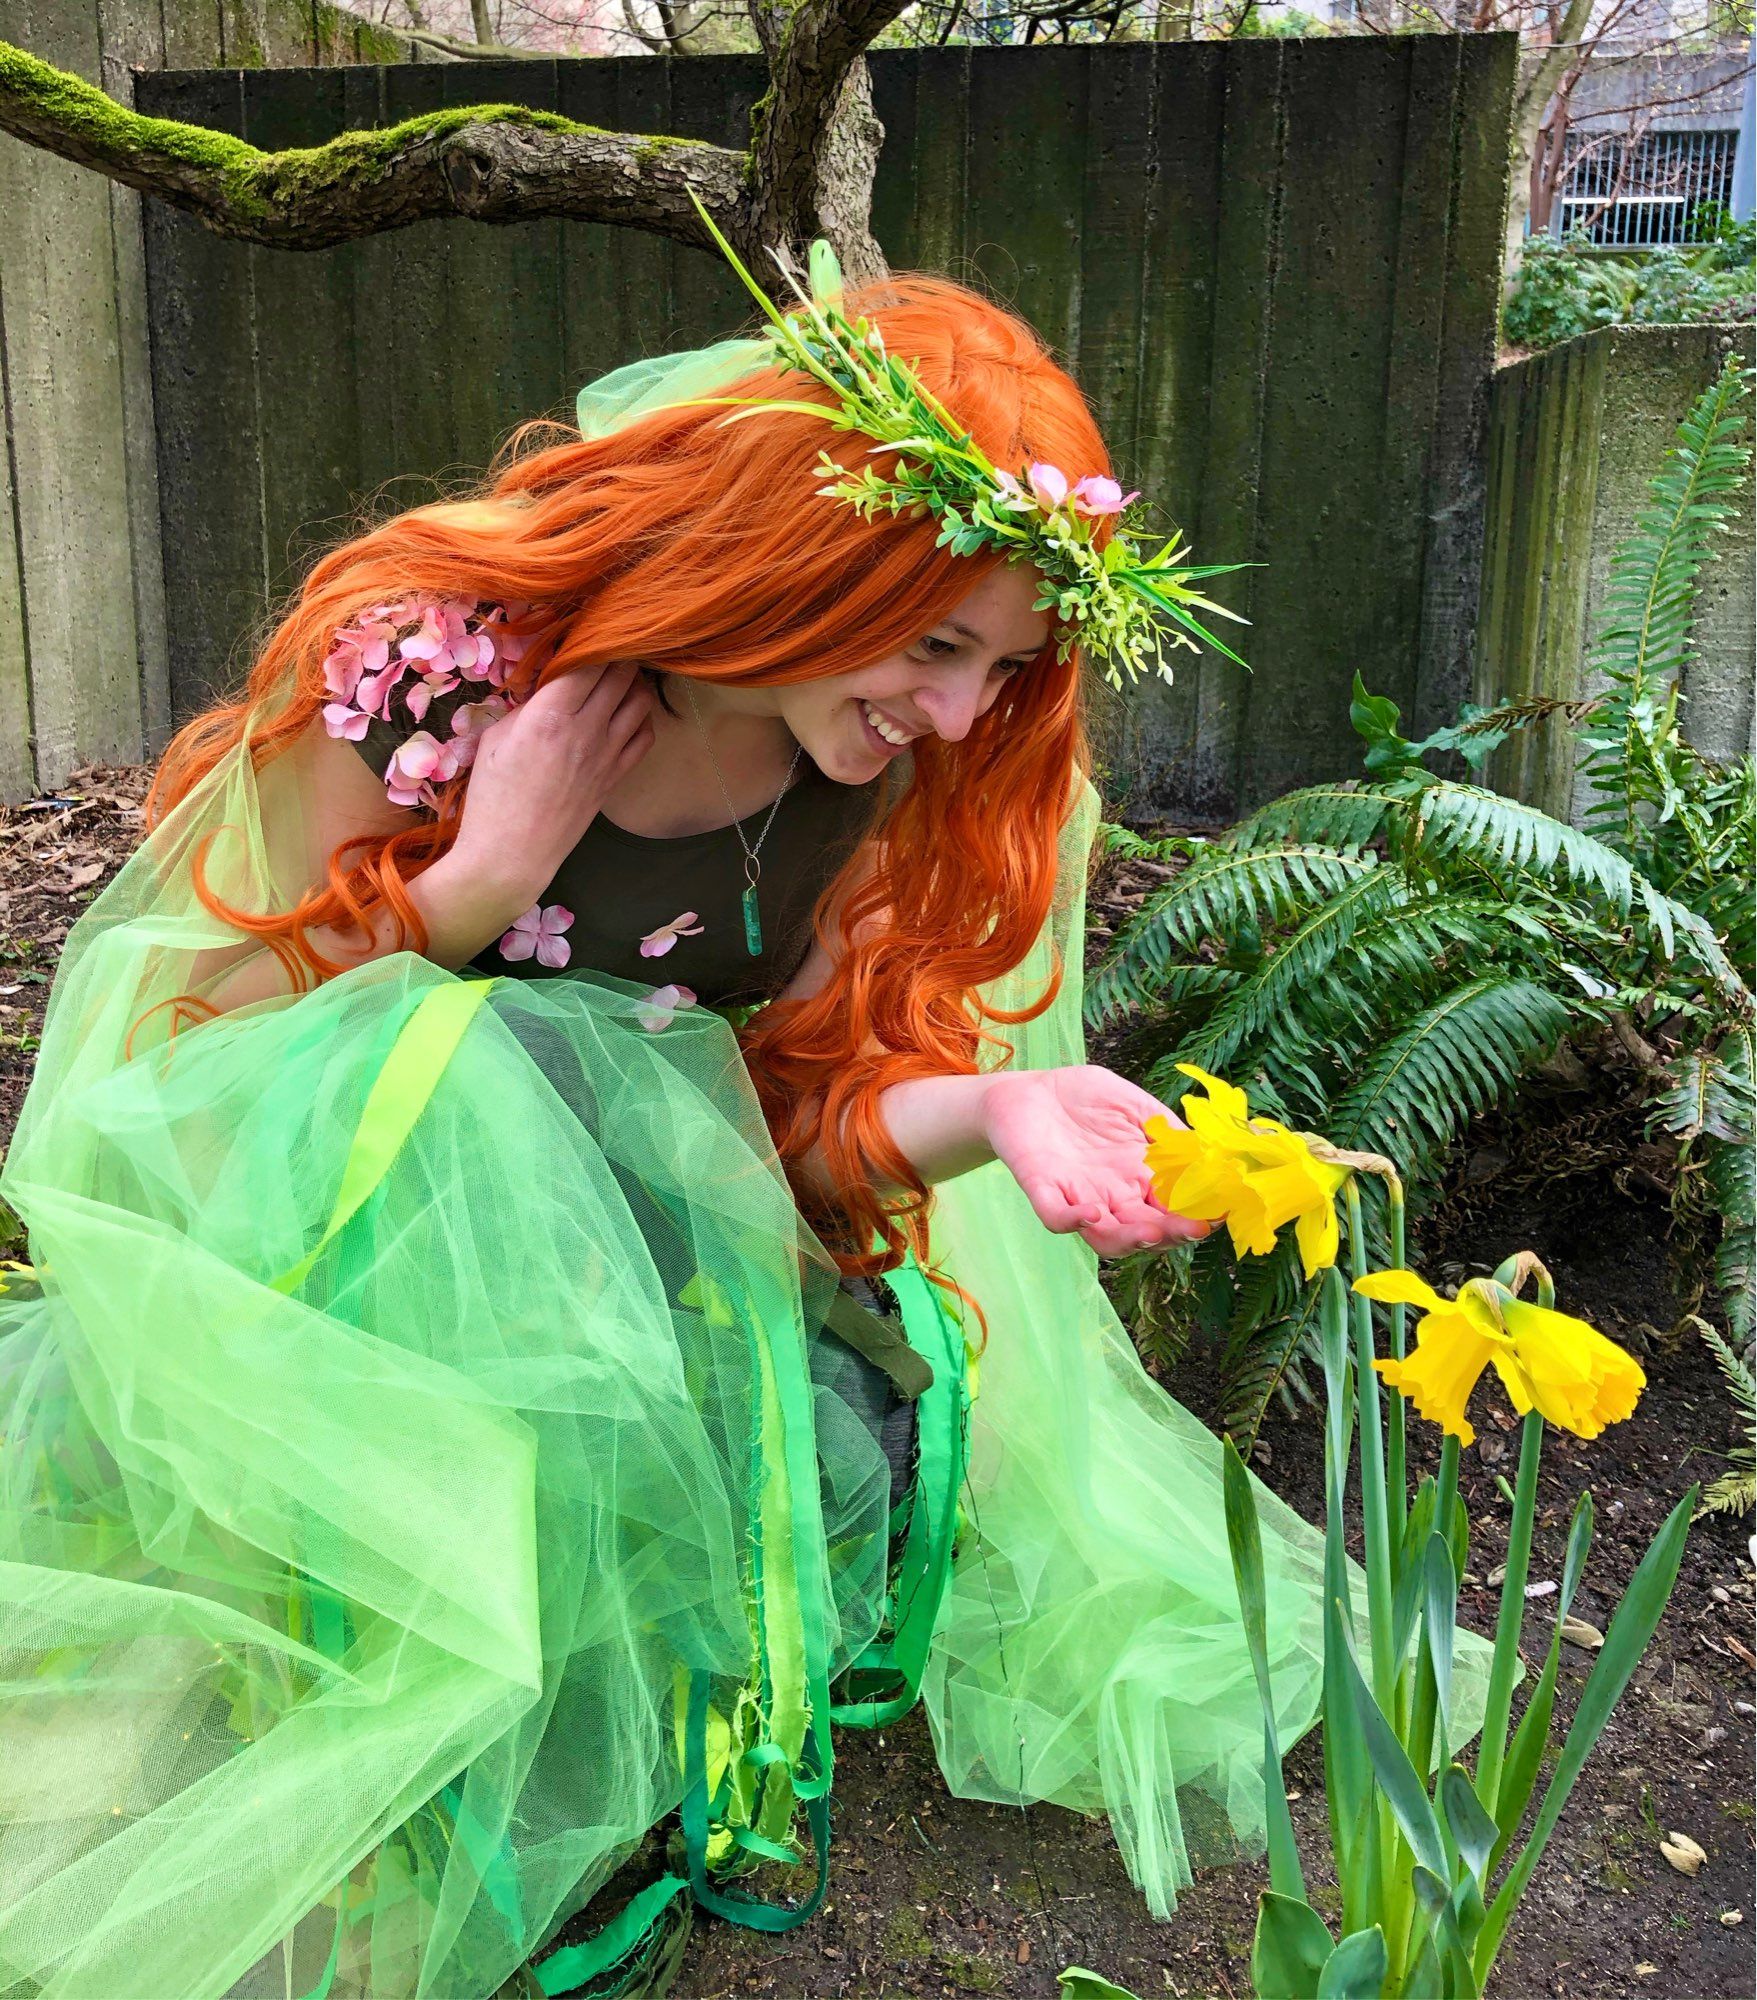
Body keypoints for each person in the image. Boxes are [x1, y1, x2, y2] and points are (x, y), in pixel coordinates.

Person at [0, 245, 1336, 2000]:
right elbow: (205, 1060)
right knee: (510, 1073)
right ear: (793, 554)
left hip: (657, 1273)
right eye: (932, 641)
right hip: (346, 1252)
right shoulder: (434, 670)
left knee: (830, 1465)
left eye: (1004, 665)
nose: (957, 712)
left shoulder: (896, 783)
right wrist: (484, 875)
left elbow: (779, 1154)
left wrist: (995, 1104)